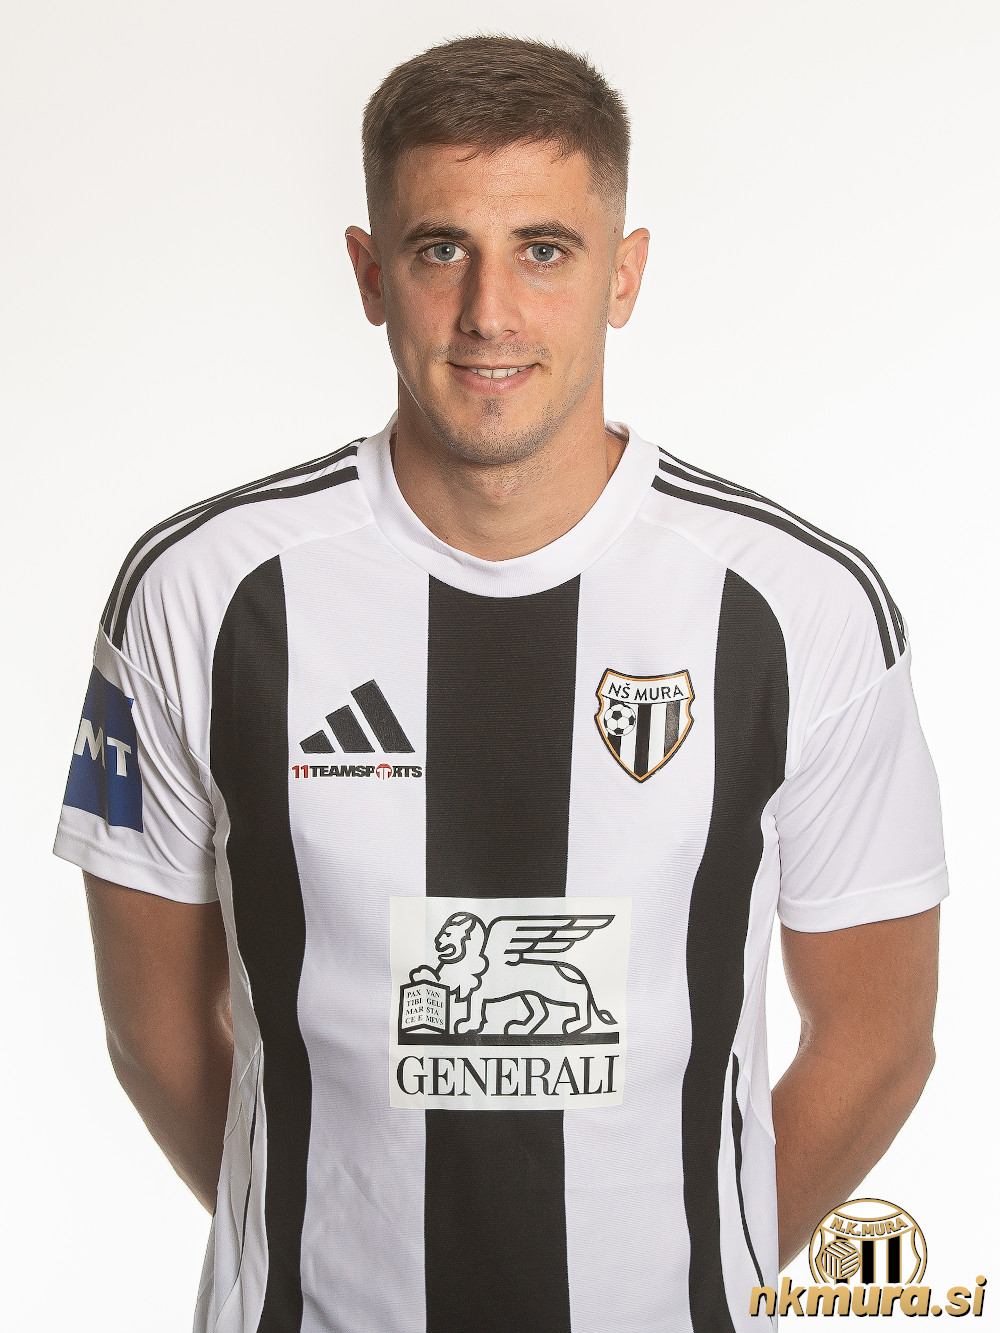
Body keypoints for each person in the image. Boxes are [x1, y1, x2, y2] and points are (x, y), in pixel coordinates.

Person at [54, 35, 947, 1333]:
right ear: (371, 274)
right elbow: (155, 1035)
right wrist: (317, 1245)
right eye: (439, 249)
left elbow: (878, 1042)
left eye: (543, 249)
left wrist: (696, 1272)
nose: (490, 312)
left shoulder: (799, 608)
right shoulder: (203, 593)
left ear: (623, 274)